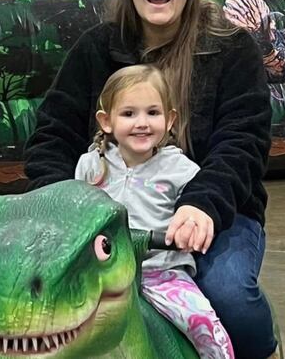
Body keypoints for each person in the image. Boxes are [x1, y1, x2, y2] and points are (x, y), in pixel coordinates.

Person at [23, 0, 278, 359]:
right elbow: (53, 135)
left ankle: (264, 350)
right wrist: (59, 210)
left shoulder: (232, 50)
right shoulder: (96, 47)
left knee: (229, 297)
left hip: (215, 212)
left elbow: (243, 143)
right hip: (108, 222)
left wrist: (201, 206)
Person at [75, 64, 234, 359]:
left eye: (152, 113)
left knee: (203, 324)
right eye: (128, 114)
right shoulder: (89, 166)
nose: (142, 123)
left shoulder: (181, 170)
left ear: (170, 119)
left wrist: (189, 231)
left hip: (160, 272)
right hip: (102, 275)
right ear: (106, 121)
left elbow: (196, 212)